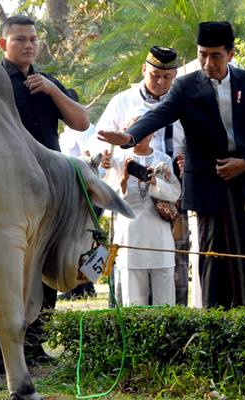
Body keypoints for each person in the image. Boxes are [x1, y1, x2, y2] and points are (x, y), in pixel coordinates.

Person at [97, 21, 245, 310]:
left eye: (215, 55)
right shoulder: (186, 86)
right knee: (213, 261)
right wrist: (130, 136)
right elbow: (159, 115)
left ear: (230, 54)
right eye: (202, 54)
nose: (208, 62)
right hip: (210, 186)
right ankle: (215, 329)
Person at [0, 14, 89, 361]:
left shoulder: (46, 80)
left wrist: (52, 90)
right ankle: (7, 347)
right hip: (9, 186)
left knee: (45, 261)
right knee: (13, 264)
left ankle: (36, 344)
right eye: (20, 39)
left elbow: (81, 122)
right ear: (3, 43)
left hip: (51, 186)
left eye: (33, 39)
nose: (28, 45)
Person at [92, 46, 189, 306]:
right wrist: (105, 157)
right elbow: (99, 142)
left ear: (175, 76)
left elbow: (193, 142)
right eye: (155, 74)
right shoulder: (122, 102)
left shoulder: (184, 102)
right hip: (128, 198)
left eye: (167, 77)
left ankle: (174, 330)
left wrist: (186, 160)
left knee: (172, 268)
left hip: (171, 194)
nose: (160, 82)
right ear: (144, 69)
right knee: (127, 267)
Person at [101, 115, 180, 306]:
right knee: (133, 303)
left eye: (146, 129)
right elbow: (108, 199)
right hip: (130, 239)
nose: (142, 134)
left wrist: (155, 183)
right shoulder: (118, 160)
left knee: (165, 303)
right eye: (136, 129)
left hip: (160, 239)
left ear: (153, 132)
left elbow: (175, 194)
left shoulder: (163, 159)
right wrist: (124, 181)